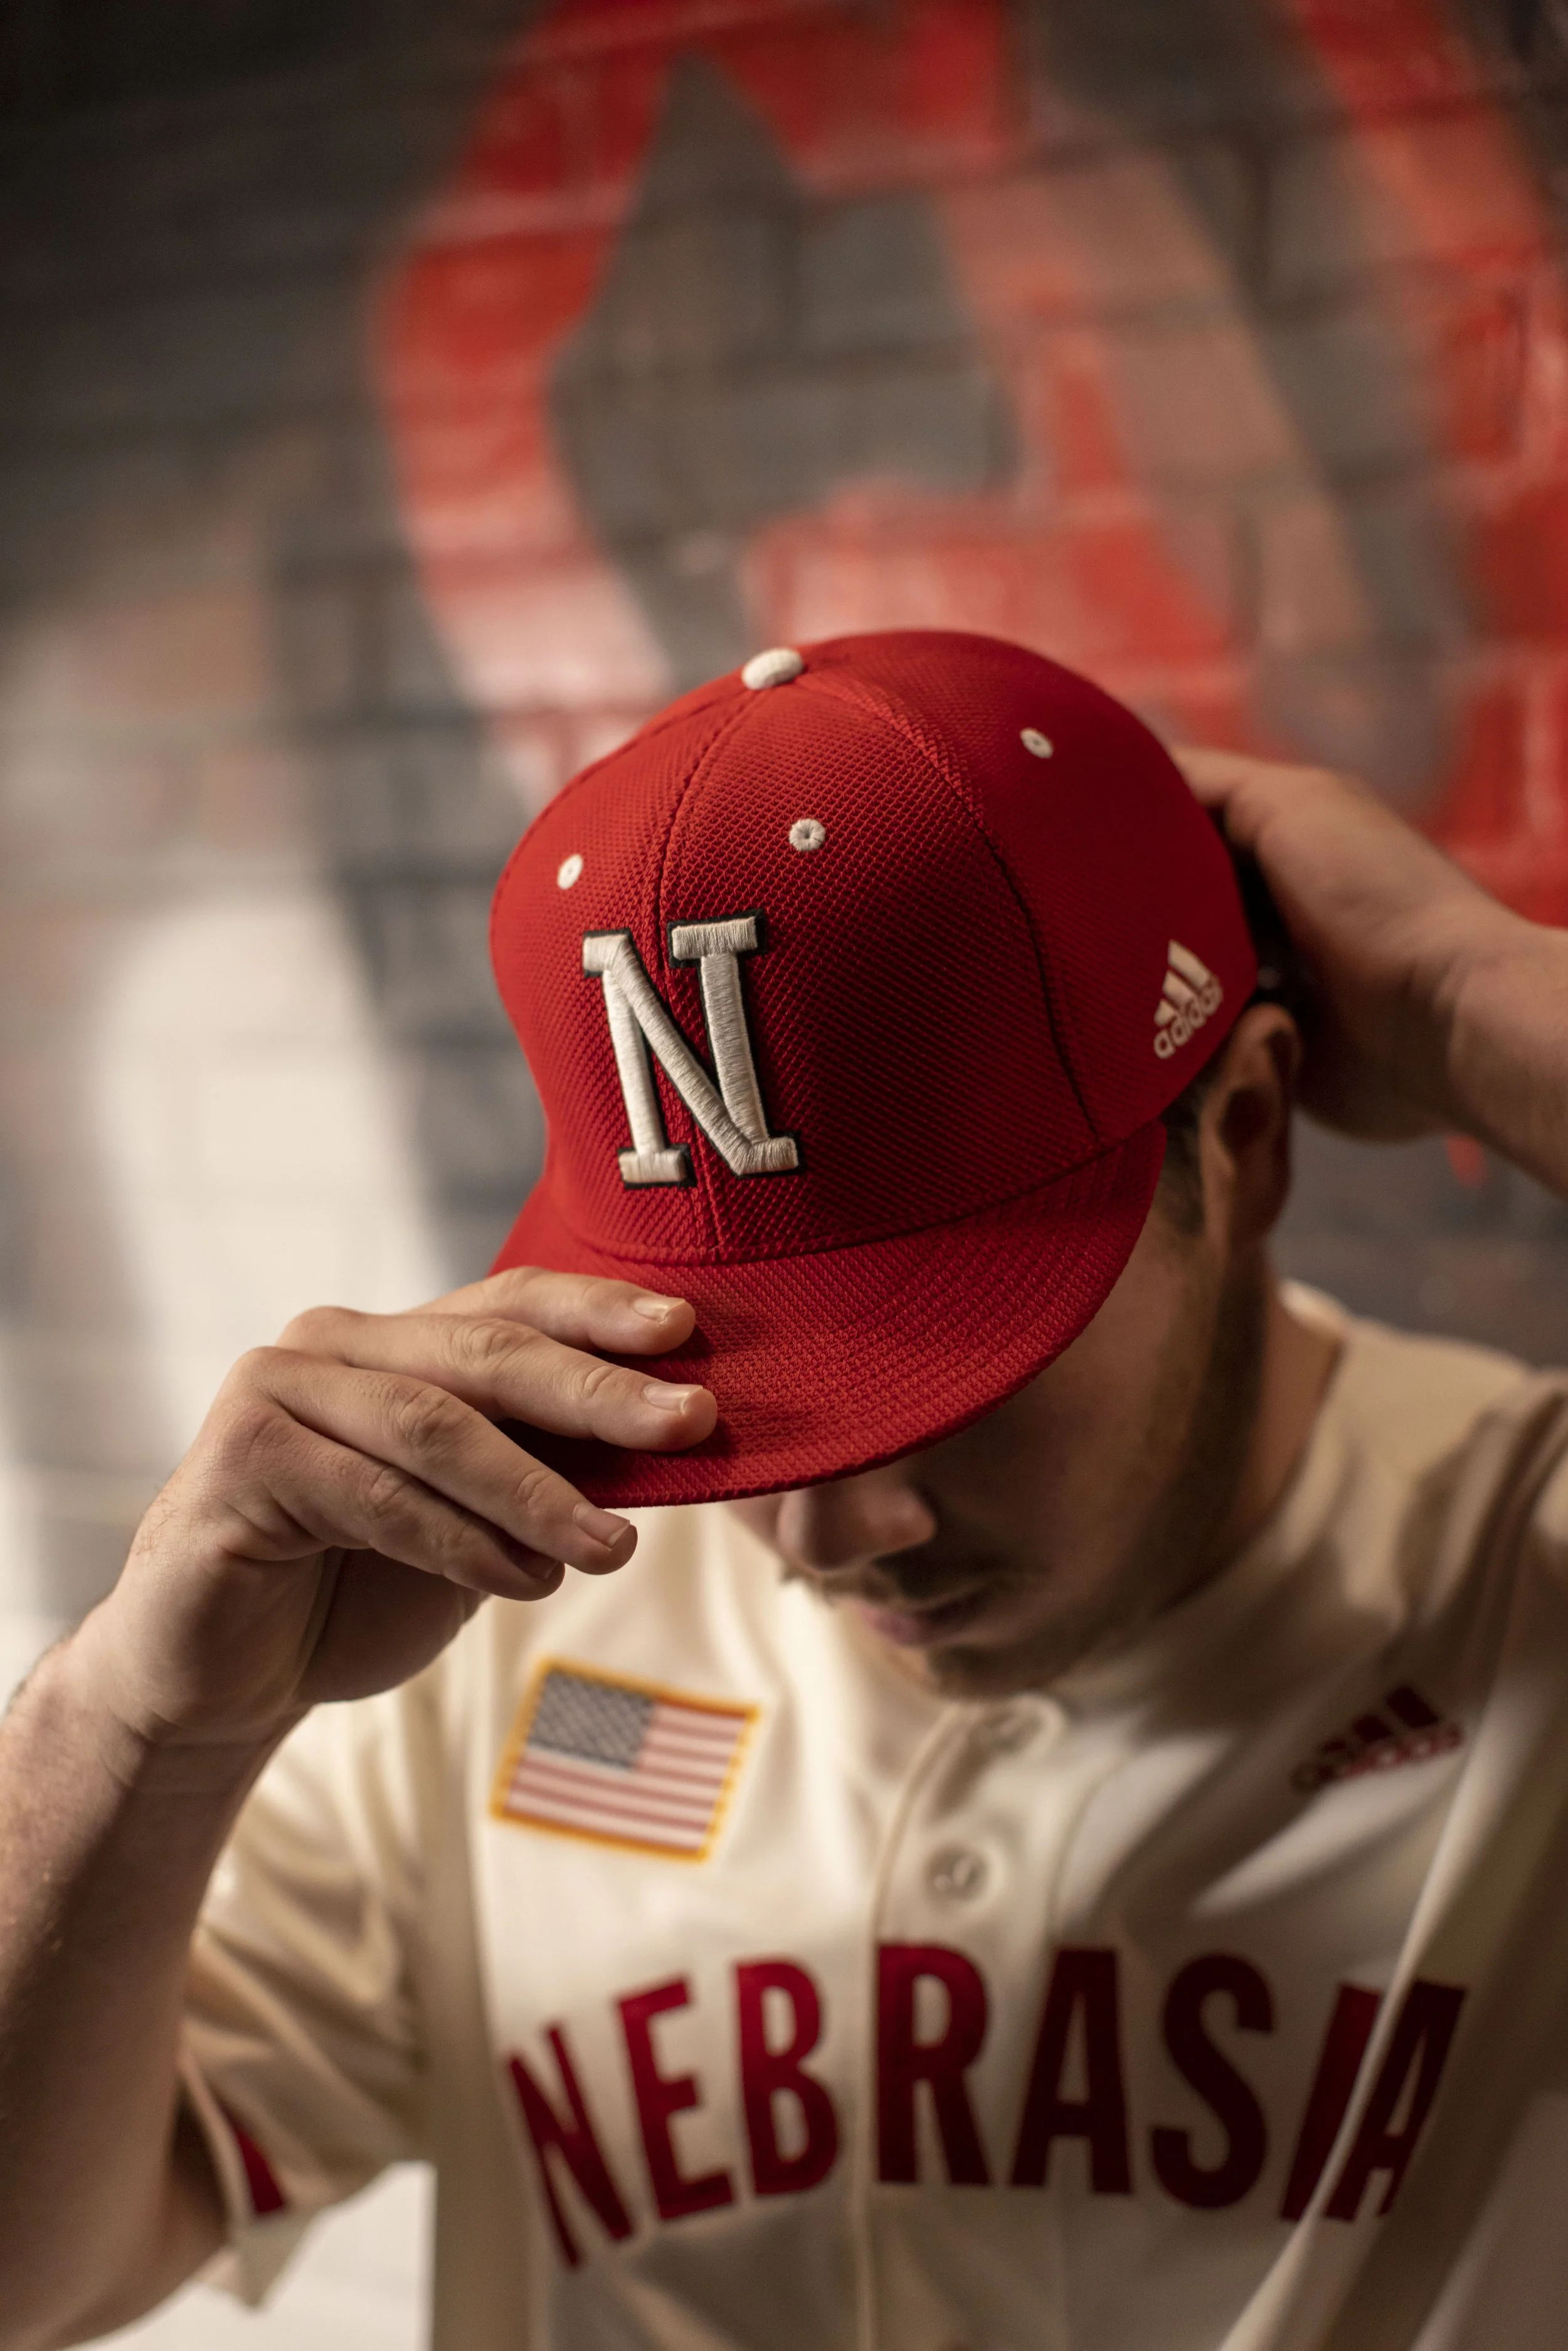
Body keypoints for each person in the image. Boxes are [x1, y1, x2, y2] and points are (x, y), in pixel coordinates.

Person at [3, 630, 1568, 2351]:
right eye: (743, 1393)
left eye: (954, 1368)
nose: (825, 1532)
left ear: (1247, 1131)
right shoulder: (489, 1609)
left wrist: (1455, 994)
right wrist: (135, 1726)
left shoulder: (1523, 1555)